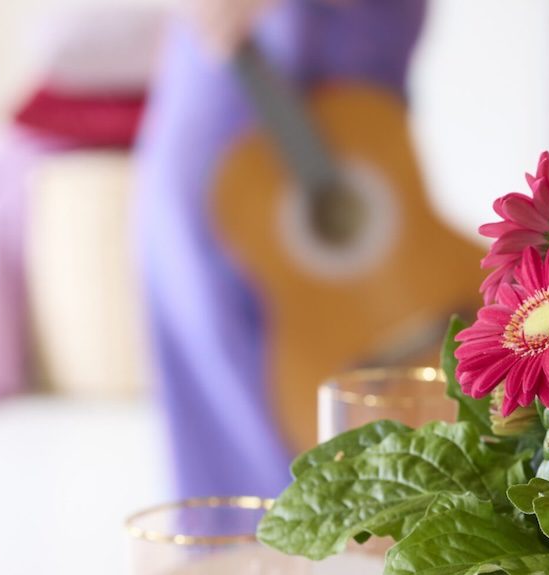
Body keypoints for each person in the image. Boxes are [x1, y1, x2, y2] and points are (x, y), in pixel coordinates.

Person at [135, 0, 426, 499]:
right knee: (203, 285)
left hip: (336, 36)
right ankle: (248, 546)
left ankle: (322, 539)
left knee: (347, 302)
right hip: (223, 56)